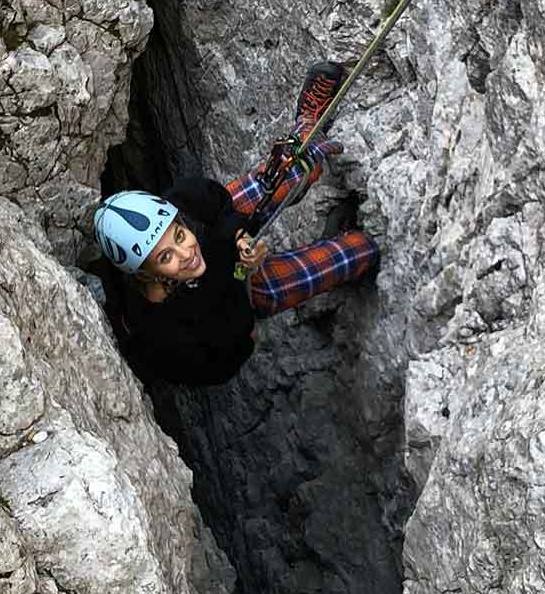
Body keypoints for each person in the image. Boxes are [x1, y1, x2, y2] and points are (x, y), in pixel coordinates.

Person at [94, 62, 380, 386]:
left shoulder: (186, 201)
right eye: (165, 257)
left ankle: (309, 123)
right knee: (362, 250)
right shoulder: (163, 325)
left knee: (293, 170)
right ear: (146, 273)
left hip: (225, 242)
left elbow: (221, 206)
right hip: (244, 295)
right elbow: (215, 365)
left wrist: (239, 237)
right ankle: (352, 241)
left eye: (178, 235)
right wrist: (245, 333)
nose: (184, 253)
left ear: (177, 217)